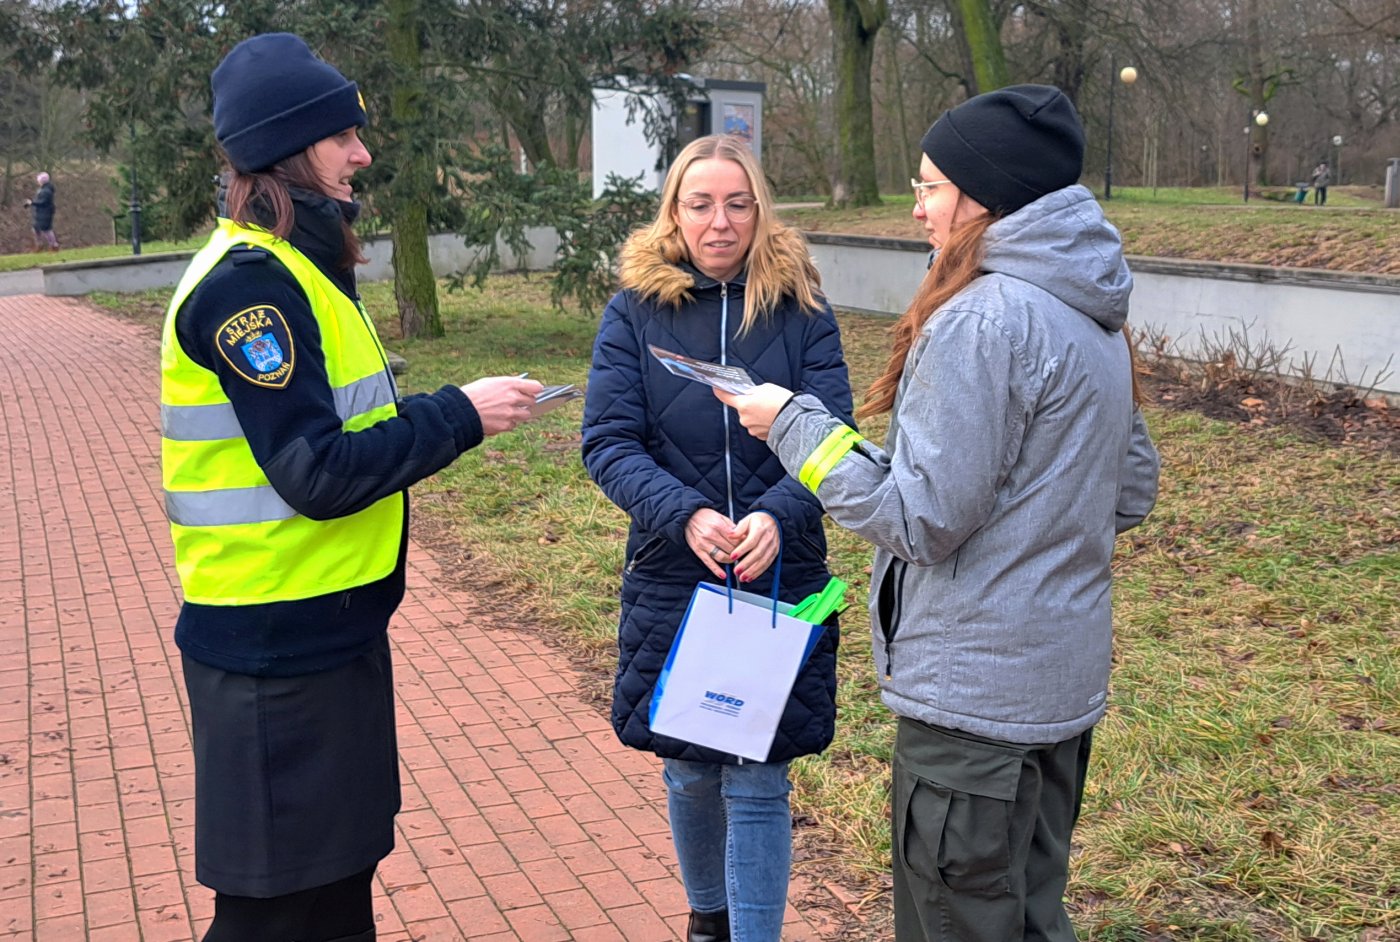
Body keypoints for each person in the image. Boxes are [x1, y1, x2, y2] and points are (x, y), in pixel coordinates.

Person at [716, 85, 1161, 941]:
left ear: (983, 195)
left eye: (929, 186)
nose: (917, 206)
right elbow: (1128, 489)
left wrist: (792, 425)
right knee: (1029, 916)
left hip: (972, 716)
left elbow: (919, 521)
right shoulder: (1090, 313)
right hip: (1056, 698)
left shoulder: (983, 318)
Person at [159, 33, 542, 942]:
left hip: (321, 640)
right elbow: (316, 472)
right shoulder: (249, 291)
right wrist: (458, 414)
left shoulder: (299, 269)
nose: (363, 153)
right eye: (342, 136)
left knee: (333, 902)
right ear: (288, 151)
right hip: (271, 661)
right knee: (274, 918)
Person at [580, 134, 853, 942]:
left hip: (779, 573)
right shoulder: (635, 307)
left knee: (761, 778)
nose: (720, 221)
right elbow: (608, 441)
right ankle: (709, 921)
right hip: (675, 571)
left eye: (737, 203)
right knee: (692, 769)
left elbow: (833, 435)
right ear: (674, 212)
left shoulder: (802, 311)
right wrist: (685, 515)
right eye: (700, 204)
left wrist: (775, 514)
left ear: (760, 211)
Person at [24, 171, 58, 251]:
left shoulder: (46, 191)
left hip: (45, 213)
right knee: (36, 228)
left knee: (47, 230)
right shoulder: (43, 189)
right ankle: (39, 245)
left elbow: (43, 202)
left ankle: (54, 245)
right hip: (40, 213)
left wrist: (32, 203)